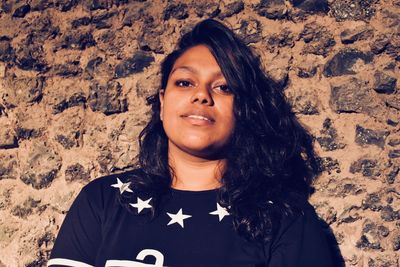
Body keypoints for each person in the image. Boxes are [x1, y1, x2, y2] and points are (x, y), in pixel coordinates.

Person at [48, 18, 335, 267]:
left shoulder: (285, 219)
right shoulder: (102, 201)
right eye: (185, 82)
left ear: (245, 110)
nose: (202, 95)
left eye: (223, 87)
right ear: (162, 102)